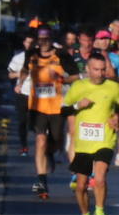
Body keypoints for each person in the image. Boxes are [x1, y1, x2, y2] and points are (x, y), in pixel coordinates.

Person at [63, 54, 119, 215]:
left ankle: (99, 212)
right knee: (81, 186)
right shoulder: (78, 87)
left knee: (99, 179)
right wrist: (78, 106)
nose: (100, 73)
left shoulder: (113, 87)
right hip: (84, 143)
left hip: (105, 140)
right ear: (87, 69)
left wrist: (117, 116)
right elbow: (63, 110)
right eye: (96, 69)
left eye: (103, 70)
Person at [20, 27, 79, 198]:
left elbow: (75, 76)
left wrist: (62, 79)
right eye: (40, 39)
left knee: (56, 140)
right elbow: (25, 70)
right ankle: (42, 181)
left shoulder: (61, 55)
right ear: (37, 40)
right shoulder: (31, 54)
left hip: (56, 107)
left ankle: (50, 153)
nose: (43, 42)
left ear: (51, 39)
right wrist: (20, 81)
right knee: (40, 140)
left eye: (46, 39)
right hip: (37, 106)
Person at [6, 32, 35, 156]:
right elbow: (10, 75)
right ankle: (24, 146)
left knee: (34, 121)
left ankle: (43, 146)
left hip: (37, 93)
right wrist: (21, 73)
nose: (30, 45)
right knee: (22, 121)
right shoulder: (18, 58)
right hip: (22, 92)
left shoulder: (40, 57)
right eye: (28, 42)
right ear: (24, 43)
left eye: (32, 42)